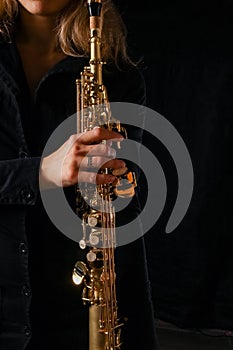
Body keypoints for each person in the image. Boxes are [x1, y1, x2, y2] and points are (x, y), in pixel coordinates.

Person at [0, 0, 158, 349]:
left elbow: (123, 213)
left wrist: (122, 187)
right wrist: (42, 171)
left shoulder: (117, 76)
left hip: (75, 313)